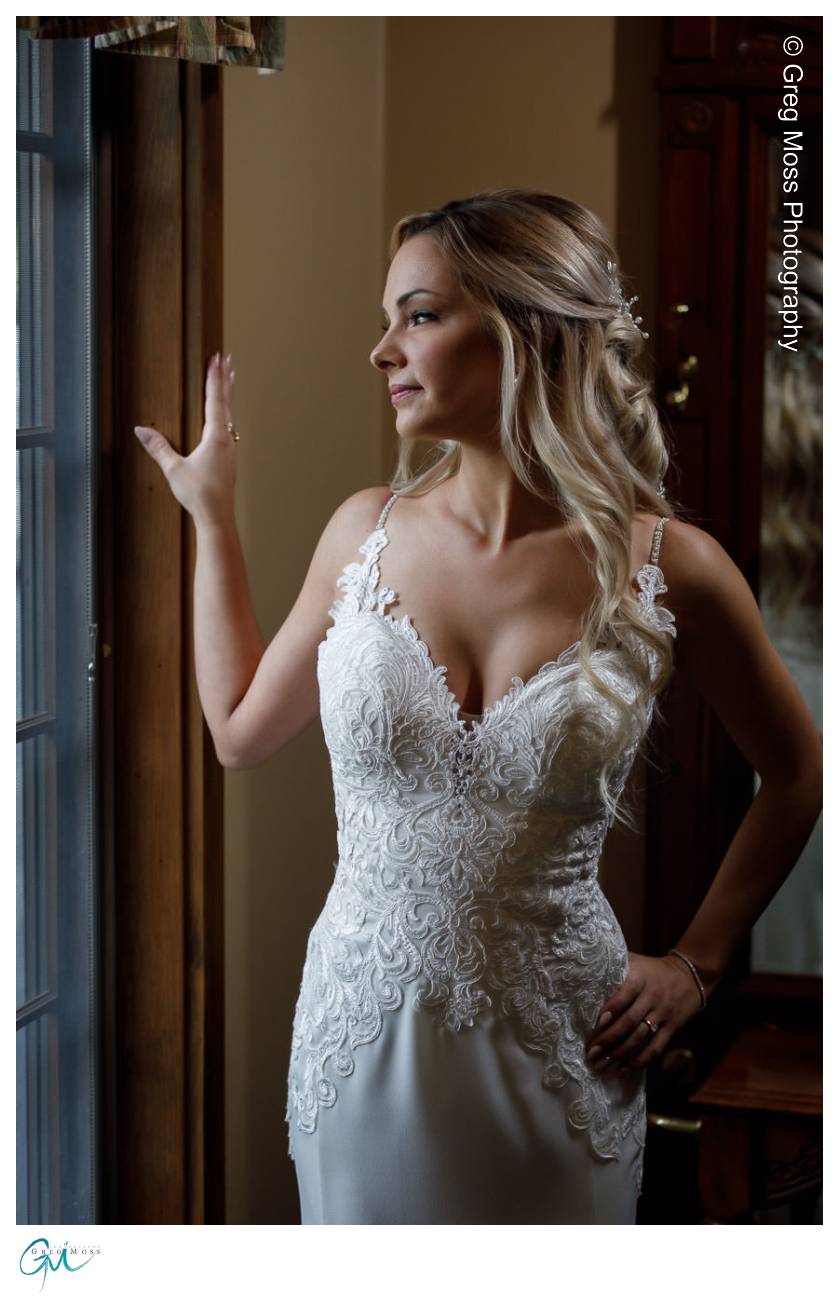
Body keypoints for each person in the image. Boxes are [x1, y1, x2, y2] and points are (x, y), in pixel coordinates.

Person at [134, 188, 822, 1225]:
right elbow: (235, 728)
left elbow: (799, 769)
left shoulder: (668, 567)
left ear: (526, 329)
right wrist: (212, 518)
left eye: (416, 315)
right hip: (359, 1041)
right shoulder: (362, 531)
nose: (381, 351)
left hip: (561, 1051)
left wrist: (697, 961)